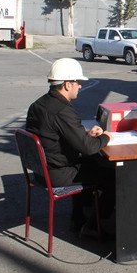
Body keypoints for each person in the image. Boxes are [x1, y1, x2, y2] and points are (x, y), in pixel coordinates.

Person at [26, 57, 114, 234]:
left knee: (92, 163)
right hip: (58, 174)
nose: (80, 86)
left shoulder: (38, 105)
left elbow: (55, 136)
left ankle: (79, 219)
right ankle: (91, 227)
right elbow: (87, 148)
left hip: (41, 171)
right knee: (113, 175)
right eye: (78, 82)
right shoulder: (62, 110)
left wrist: (86, 135)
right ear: (67, 84)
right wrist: (106, 137)